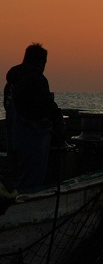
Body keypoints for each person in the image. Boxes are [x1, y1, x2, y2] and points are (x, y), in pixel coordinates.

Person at [3, 43, 65, 194]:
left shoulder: (11, 82)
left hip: (12, 140)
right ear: (41, 62)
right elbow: (46, 107)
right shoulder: (37, 80)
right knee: (31, 184)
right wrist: (60, 126)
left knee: (15, 180)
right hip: (32, 142)